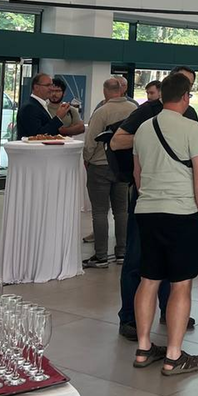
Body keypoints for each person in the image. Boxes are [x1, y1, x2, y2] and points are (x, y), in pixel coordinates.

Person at [110, 66, 198, 341]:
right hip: (147, 197)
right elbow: (116, 142)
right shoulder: (147, 111)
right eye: (182, 83)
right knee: (138, 260)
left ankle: (168, 310)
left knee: (172, 262)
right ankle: (129, 317)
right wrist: (152, 138)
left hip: (178, 200)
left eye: (189, 85)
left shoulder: (191, 116)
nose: (185, 91)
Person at [132, 72, 198, 376]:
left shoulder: (143, 128)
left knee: (148, 279)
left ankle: (143, 348)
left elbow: (138, 174)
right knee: (181, 283)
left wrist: (151, 197)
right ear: (186, 97)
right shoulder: (192, 128)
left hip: (147, 211)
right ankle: (174, 355)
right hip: (181, 212)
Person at [81, 77, 137, 269]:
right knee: (122, 211)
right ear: (121, 90)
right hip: (123, 166)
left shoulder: (102, 111)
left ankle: (101, 256)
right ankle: (122, 252)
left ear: (105, 91)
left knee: (99, 211)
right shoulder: (133, 109)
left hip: (100, 165)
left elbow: (91, 141)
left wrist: (87, 159)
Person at [16, 72, 70, 139]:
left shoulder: (39, 105)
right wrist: (58, 117)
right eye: (48, 85)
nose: (51, 89)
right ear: (36, 87)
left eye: (52, 85)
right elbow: (37, 136)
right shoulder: (29, 107)